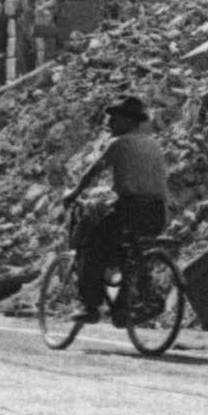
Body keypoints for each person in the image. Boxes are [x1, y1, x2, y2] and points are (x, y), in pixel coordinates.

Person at [69, 95, 168, 319]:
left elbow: (93, 171)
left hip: (131, 210)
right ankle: (124, 305)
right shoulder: (153, 144)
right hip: (158, 213)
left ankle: (89, 305)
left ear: (128, 120)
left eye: (115, 118)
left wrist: (74, 193)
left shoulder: (119, 143)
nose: (110, 123)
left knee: (93, 244)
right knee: (127, 251)